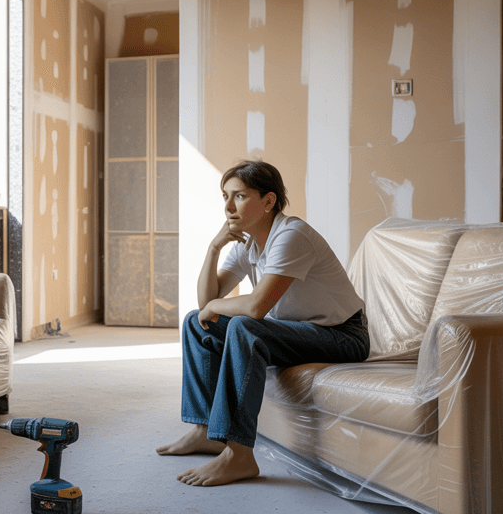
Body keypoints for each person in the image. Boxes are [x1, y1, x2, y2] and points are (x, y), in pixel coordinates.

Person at [156, 160, 369, 486]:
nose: (228, 206)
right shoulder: (250, 243)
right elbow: (205, 305)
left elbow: (256, 307)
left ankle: (239, 454)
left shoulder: (291, 236)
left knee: (243, 326)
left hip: (341, 335)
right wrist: (214, 247)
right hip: (299, 331)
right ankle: (205, 432)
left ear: (268, 201)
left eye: (239, 196)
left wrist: (214, 305)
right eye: (225, 196)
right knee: (194, 324)